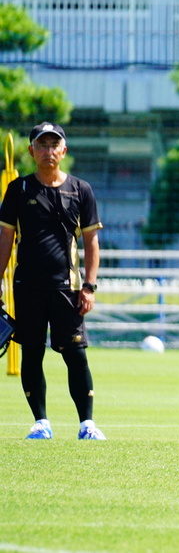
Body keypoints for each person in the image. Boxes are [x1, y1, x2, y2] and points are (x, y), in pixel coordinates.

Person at [0, 122, 106, 440]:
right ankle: (41, 422)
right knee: (32, 353)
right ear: (31, 151)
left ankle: (87, 424)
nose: (48, 151)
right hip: (27, 287)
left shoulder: (81, 190)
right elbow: (5, 239)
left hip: (68, 288)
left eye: (53, 145)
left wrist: (89, 286)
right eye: (41, 145)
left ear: (64, 150)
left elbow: (91, 242)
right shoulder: (17, 190)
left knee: (76, 354)